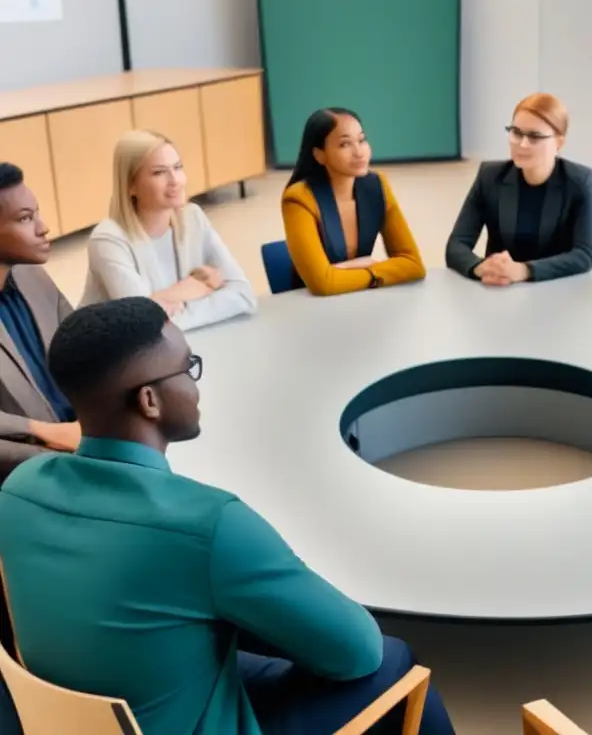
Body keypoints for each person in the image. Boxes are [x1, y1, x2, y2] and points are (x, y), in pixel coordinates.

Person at [0, 297, 454, 735]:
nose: (196, 384)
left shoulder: (19, 489)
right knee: (395, 660)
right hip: (196, 720)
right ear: (149, 401)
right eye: (188, 368)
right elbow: (357, 651)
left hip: (76, 717)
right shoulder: (208, 524)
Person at [79, 130, 257, 330]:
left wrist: (167, 302)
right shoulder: (107, 240)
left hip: (178, 348)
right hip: (114, 357)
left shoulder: (193, 218)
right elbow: (142, 324)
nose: (175, 180)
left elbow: (243, 294)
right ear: (130, 186)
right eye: (159, 172)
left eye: (178, 167)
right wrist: (190, 290)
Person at [445, 93, 592, 284]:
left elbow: (584, 255)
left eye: (534, 136)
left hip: (555, 290)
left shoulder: (579, 181)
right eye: (516, 132)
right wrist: (480, 267)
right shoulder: (489, 177)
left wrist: (525, 270)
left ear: (559, 142)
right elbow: (456, 245)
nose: (522, 144)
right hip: (498, 291)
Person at [281, 108, 426, 296]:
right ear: (319, 155)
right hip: (313, 310)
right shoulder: (299, 198)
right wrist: (373, 271)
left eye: (362, 140)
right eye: (344, 145)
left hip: (360, 299)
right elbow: (323, 284)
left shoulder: (377, 185)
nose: (359, 152)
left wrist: (348, 270)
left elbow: (414, 265)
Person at [0, 163, 80, 482]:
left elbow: (84, 342)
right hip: (27, 477)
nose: (43, 228)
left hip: (87, 444)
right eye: (25, 219)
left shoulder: (32, 275)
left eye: (36, 213)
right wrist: (47, 433)